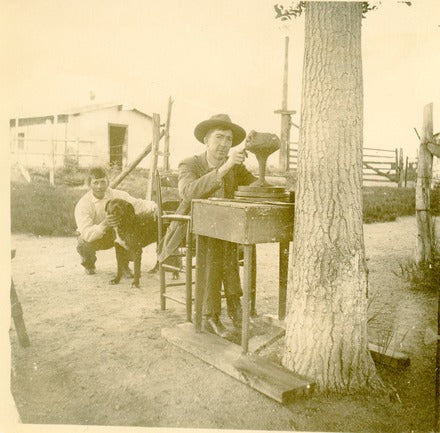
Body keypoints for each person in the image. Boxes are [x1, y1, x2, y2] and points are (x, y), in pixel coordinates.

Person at [158, 114, 256, 337]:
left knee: (230, 238)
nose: (224, 144)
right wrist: (226, 167)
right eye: (219, 137)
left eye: (229, 139)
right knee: (215, 241)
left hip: (222, 230)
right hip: (188, 229)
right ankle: (211, 314)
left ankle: (233, 305)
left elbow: (255, 185)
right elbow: (188, 192)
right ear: (206, 140)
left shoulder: (235, 167)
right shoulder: (190, 163)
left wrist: (259, 162)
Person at [74, 166, 157, 275]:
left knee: (129, 231)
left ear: (108, 181)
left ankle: (124, 266)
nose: (100, 187)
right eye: (96, 183)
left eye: (103, 182)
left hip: (115, 234)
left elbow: (137, 204)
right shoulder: (83, 204)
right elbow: (86, 234)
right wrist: (105, 224)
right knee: (83, 243)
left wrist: (154, 207)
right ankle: (89, 264)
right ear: (90, 184)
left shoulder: (117, 194)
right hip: (96, 237)